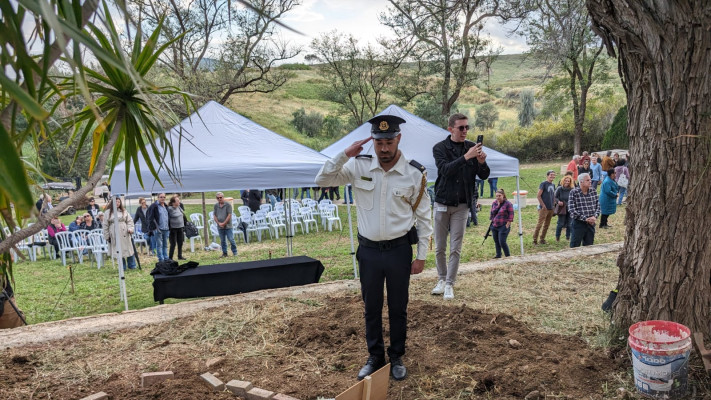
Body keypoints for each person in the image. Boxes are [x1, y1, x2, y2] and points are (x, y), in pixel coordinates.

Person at [315, 114, 433, 382]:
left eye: (389, 142)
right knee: (371, 306)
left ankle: (397, 356)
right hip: (368, 251)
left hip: (399, 250)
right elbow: (322, 179)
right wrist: (345, 154)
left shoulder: (414, 173)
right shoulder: (358, 166)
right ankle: (375, 356)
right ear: (373, 143)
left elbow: (424, 217)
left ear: (398, 139)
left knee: (398, 306)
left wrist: (422, 255)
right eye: (379, 143)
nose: (384, 148)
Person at [432, 113, 490, 300]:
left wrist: (481, 162)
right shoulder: (440, 148)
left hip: (462, 204)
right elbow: (445, 170)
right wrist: (467, 157)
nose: (465, 131)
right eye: (461, 128)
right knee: (440, 246)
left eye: (467, 127)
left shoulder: (472, 147)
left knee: (455, 247)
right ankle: (441, 278)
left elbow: (484, 175)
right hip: (442, 201)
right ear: (451, 129)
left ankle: (450, 283)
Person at [102, 197, 137, 270]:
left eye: (118, 202)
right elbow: (105, 225)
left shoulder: (124, 211)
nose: (117, 203)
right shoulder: (107, 212)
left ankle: (132, 265)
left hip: (124, 232)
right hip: (114, 233)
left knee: (129, 249)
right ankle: (122, 266)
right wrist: (107, 236)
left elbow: (130, 221)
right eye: (115, 202)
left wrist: (130, 229)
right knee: (118, 250)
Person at [568, 173, 600, 247]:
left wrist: (595, 217)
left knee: (589, 245)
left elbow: (598, 206)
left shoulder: (593, 191)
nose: (590, 181)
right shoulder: (574, 192)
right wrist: (585, 219)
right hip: (579, 223)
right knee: (575, 245)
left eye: (590, 180)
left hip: (591, 223)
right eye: (588, 180)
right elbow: (572, 210)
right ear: (581, 182)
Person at [533, 170, 556, 245]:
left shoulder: (553, 185)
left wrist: (554, 205)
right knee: (539, 224)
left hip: (551, 208)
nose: (552, 176)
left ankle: (542, 239)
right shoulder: (543, 184)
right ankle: (535, 240)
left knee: (547, 225)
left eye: (553, 175)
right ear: (547, 176)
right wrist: (543, 205)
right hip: (544, 208)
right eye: (551, 175)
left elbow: (553, 196)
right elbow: (538, 195)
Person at [490, 189, 514, 258]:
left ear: (503, 195)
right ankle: (498, 255)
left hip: (503, 225)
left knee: (502, 241)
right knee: (496, 241)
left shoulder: (508, 204)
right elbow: (492, 213)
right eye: (496, 196)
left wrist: (508, 224)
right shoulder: (494, 203)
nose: (498, 197)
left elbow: (511, 214)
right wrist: (498, 206)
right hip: (495, 225)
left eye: (499, 196)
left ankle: (507, 256)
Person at [147, 193, 170, 262]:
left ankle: (166, 258)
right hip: (158, 229)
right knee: (159, 245)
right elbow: (150, 218)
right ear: (158, 198)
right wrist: (154, 228)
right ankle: (161, 259)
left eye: (164, 197)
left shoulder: (166, 206)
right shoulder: (154, 206)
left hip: (166, 228)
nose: (162, 198)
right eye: (161, 197)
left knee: (165, 244)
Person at [214, 192, 238, 257]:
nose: (219, 199)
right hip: (220, 226)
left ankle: (235, 252)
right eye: (218, 198)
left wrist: (224, 223)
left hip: (228, 226)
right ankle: (224, 253)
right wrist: (218, 223)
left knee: (231, 239)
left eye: (220, 197)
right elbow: (215, 215)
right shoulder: (216, 206)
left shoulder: (228, 205)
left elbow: (229, 215)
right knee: (222, 241)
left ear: (223, 197)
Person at [554, 175, 574, 242]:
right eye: (566, 181)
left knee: (570, 224)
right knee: (561, 223)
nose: (567, 182)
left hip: (570, 208)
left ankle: (568, 237)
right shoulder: (559, 189)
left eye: (568, 181)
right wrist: (558, 201)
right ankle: (557, 237)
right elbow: (555, 197)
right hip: (562, 208)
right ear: (563, 181)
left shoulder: (572, 189)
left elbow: (574, 198)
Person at [167, 195, 186, 260]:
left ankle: (180, 256)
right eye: (177, 201)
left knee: (180, 242)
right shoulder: (170, 209)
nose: (179, 202)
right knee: (173, 243)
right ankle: (170, 257)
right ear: (173, 202)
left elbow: (182, 214)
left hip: (180, 227)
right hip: (173, 228)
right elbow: (173, 215)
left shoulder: (179, 207)